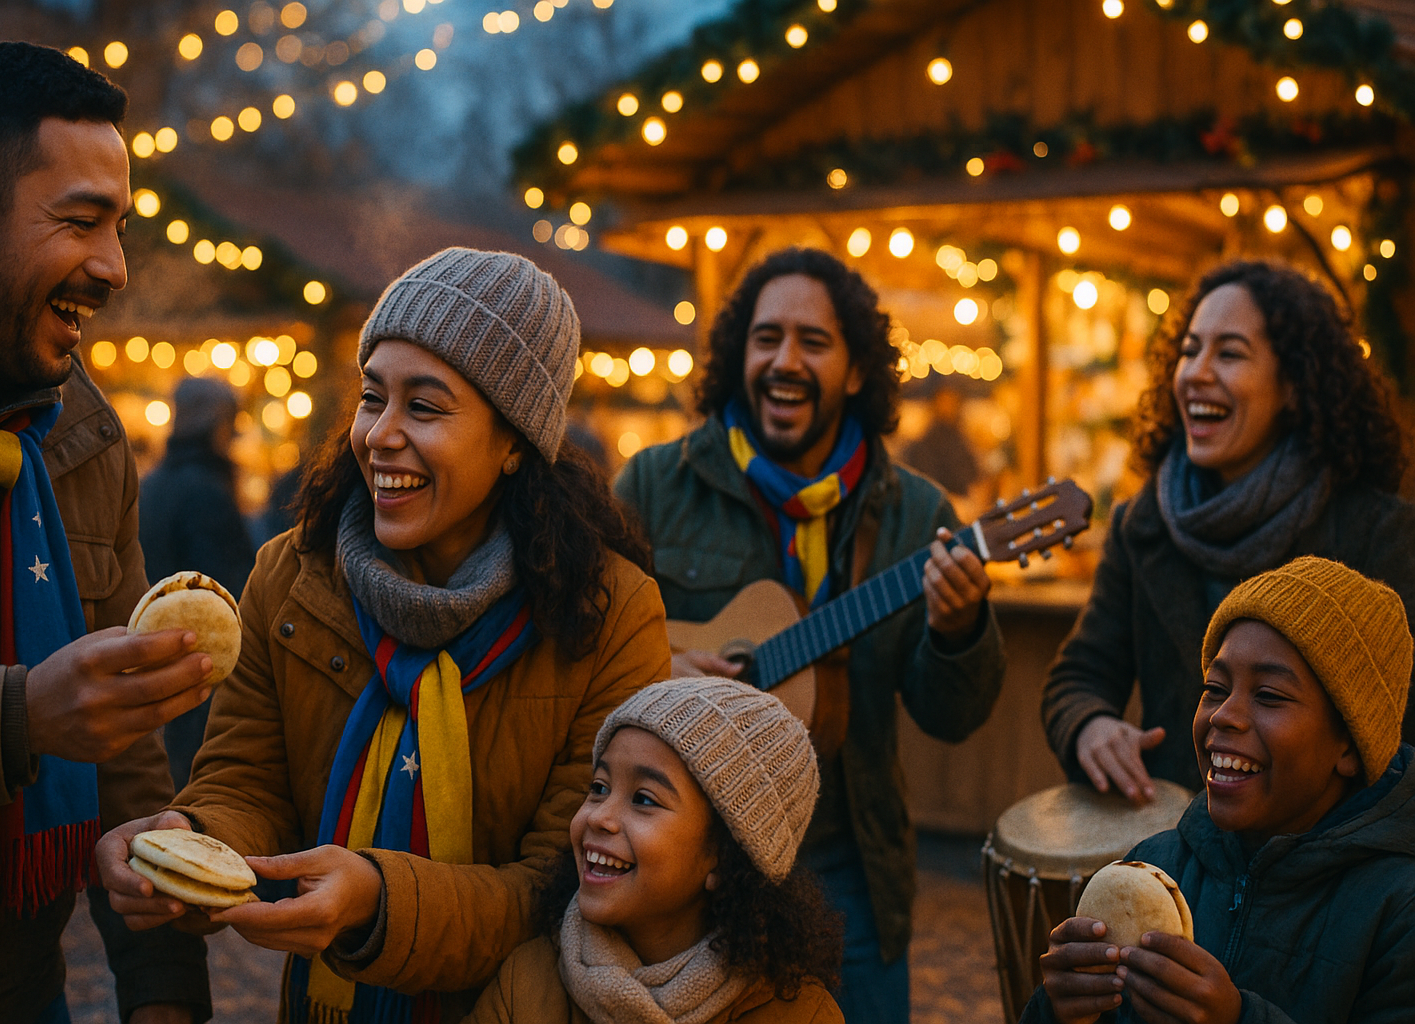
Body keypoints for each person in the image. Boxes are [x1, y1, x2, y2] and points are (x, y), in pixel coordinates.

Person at [97, 248, 673, 1021]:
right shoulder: (290, 574)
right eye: (374, 398)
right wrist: (191, 840)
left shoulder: (611, 613)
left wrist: (380, 902)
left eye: (425, 408)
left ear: (514, 443)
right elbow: (246, 781)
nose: (380, 436)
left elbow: (566, 882)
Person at [0, 43, 212, 1024]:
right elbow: (57, 714)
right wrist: (20, 717)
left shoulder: (86, 438)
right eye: (81, 222)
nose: (113, 267)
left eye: (119, 227)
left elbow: (129, 760)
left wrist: (164, 997)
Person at [615, 247, 1006, 1021]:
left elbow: (950, 715)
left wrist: (958, 632)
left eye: (813, 342)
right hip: (683, 859)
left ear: (857, 370)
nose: (784, 361)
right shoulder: (655, 486)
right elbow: (581, 648)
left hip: (846, 866)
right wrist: (658, 667)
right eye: (766, 338)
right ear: (738, 354)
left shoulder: (915, 516)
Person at [1042, 261, 1415, 805]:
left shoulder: (1378, 533)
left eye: (1230, 353)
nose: (1195, 372)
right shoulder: (1141, 525)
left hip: (1318, 870)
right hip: (1178, 851)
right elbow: (1078, 676)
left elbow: (1401, 733)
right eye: (1190, 350)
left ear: (1294, 385)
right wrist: (1090, 725)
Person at [1030, 556, 1415, 1023]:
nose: (1222, 715)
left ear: (1350, 747)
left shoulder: (1397, 910)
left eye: (1269, 695)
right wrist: (1056, 1009)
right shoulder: (1155, 869)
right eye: (1214, 687)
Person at [462, 677, 844, 1023]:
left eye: (644, 799)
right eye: (598, 788)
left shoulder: (800, 1015)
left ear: (726, 860)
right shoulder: (528, 983)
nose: (600, 817)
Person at [139, 377, 258, 790]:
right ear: (217, 423)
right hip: (201, 665)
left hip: (155, 659)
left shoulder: (151, 485)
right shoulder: (206, 490)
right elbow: (231, 589)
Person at [902, 383, 980, 497]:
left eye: (952, 402)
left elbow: (972, 476)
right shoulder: (923, 445)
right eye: (944, 402)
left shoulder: (961, 441)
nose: (948, 407)